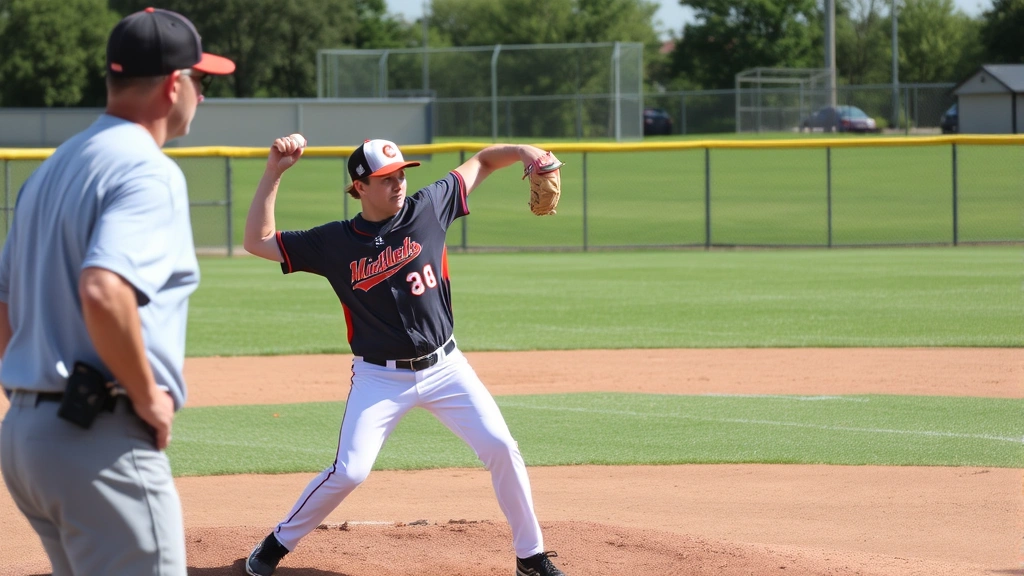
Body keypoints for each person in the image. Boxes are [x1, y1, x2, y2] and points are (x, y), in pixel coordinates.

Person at [242, 135, 568, 576]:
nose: (397, 184)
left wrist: (528, 153)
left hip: (447, 367)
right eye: (384, 179)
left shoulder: (429, 206)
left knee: (501, 447)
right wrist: (273, 174)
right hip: (380, 378)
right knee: (350, 471)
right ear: (359, 187)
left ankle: (530, 557)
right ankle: (276, 544)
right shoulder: (334, 242)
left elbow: (486, 160)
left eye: (400, 175)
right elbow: (258, 240)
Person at [0, 8, 234, 575]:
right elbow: (104, 291)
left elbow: (4, 305)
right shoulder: (148, 170)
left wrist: (29, 398)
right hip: (101, 439)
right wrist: (147, 397)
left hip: (28, 441)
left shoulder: (51, 168)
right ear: (174, 84)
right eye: (201, 82)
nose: (201, 96)